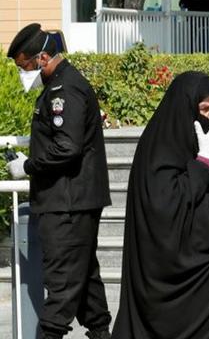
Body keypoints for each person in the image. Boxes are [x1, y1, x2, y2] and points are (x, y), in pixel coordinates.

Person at [111, 72, 209, 339]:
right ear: (186, 110)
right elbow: (165, 208)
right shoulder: (158, 153)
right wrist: (203, 163)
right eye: (204, 108)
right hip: (173, 292)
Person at [6, 23, 112, 339]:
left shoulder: (64, 90)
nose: (23, 73)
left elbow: (67, 146)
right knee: (84, 277)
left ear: (41, 58)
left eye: (23, 66)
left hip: (68, 203)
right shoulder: (59, 85)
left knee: (62, 280)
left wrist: (28, 165)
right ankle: (101, 332)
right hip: (70, 200)